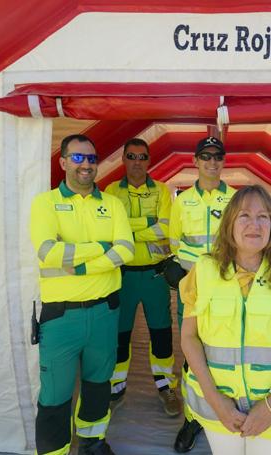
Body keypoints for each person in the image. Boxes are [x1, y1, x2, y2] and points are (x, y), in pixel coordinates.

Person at [180, 185, 271, 455]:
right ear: (229, 224)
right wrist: (216, 401)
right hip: (220, 407)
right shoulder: (203, 271)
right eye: (244, 216)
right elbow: (189, 337)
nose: (255, 224)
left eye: (263, 217)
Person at [29, 134, 134, 455]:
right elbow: (47, 251)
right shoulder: (45, 203)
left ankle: (91, 443)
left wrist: (83, 264)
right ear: (62, 162)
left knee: (98, 385)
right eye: (77, 158)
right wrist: (101, 248)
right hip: (61, 317)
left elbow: (126, 250)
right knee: (55, 395)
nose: (86, 164)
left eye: (91, 158)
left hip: (105, 311)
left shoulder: (112, 204)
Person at [168, 136, 236, 452]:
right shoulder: (181, 202)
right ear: (195, 161)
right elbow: (174, 243)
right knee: (191, 356)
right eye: (206, 156)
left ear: (224, 162)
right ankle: (192, 419)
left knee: (226, 353)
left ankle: (229, 413)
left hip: (229, 292)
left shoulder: (237, 200)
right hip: (194, 293)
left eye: (217, 157)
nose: (212, 162)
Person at [104, 138, 181, 417]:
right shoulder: (112, 191)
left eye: (142, 157)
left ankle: (166, 387)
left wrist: (128, 231)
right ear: (123, 158)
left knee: (161, 332)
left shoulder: (162, 191)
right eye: (132, 156)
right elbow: (112, 230)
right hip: (121, 275)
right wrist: (147, 226)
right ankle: (116, 387)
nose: (137, 162)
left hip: (155, 274)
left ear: (149, 161)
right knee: (119, 335)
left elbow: (165, 228)